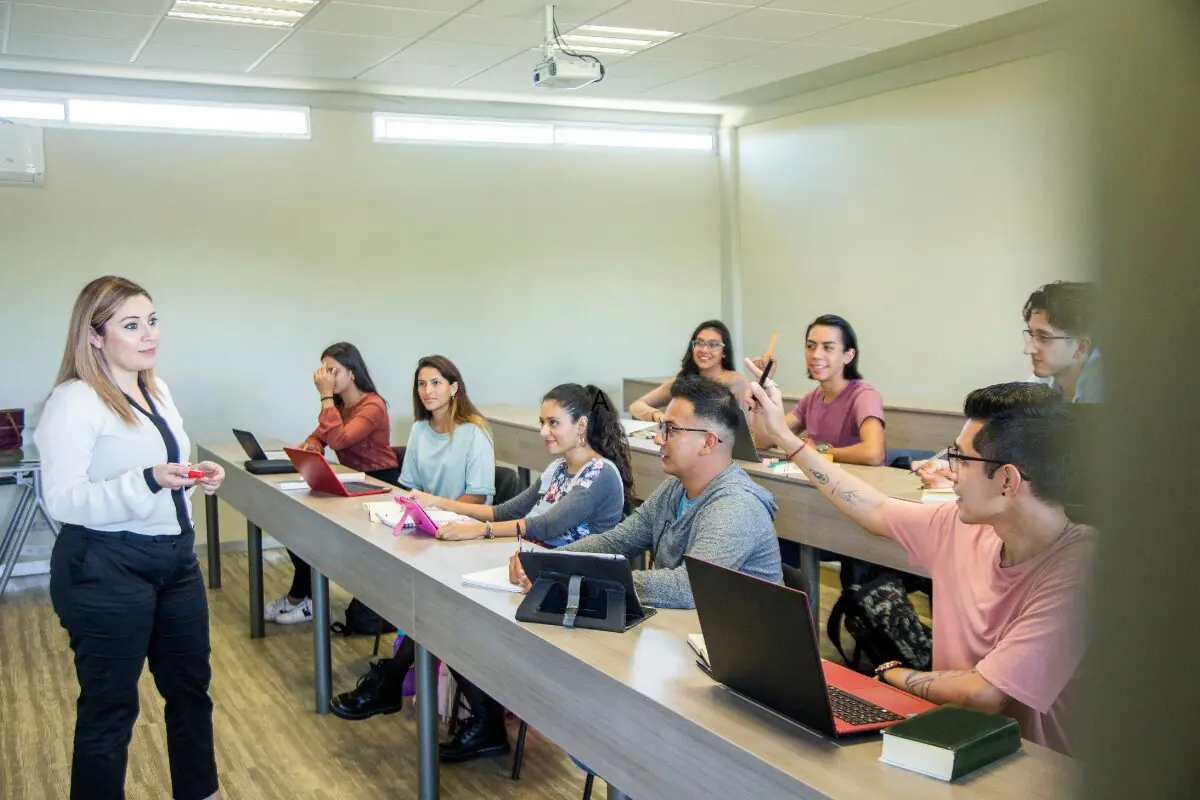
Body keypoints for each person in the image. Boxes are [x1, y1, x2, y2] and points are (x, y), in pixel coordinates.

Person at [746, 366, 1095, 756]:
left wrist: (891, 674)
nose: (948, 471)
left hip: (1032, 768)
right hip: (952, 738)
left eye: (960, 459)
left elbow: (984, 694)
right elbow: (873, 508)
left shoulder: (1082, 570)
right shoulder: (963, 524)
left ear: (1008, 481)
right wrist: (784, 437)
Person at [330, 384, 632, 765]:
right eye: (541, 422)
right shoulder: (558, 468)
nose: (543, 432)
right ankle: (469, 713)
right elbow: (506, 510)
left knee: (449, 613)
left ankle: (399, 684)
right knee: (442, 607)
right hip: (535, 573)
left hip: (574, 587)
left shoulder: (600, 473)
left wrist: (481, 532)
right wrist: (439, 505)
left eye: (553, 423)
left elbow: (547, 526)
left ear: (582, 425)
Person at [36, 276, 226, 800]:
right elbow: (65, 500)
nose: (149, 335)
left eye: (153, 320)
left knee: (190, 693)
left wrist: (194, 478)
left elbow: (162, 469)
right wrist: (147, 481)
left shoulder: (155, 389)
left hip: (175, 562)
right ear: (94, 336)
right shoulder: (74, 401)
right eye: (131, 324)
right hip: (104, 567)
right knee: (111, 707)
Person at [513, 374, 783, 610]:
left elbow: (685, 588)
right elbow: (616, 541)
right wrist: (547, 562)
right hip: (690, 632)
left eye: (670, 430)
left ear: (708, 442)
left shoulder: (736, 506)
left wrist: (571, 574)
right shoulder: (675, 488)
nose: (658, 439)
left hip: (744, 649)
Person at [266, 342, 399, 625]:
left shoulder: (373, 405)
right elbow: (320, 436)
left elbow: (339, 439)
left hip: (380, 484)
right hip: (351, 483)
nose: (326, 377)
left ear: (352, 373)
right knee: (297, 525)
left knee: (314, 532)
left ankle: (306, 599)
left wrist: (325, 397)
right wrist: (313, 445)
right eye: (324, 371)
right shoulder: (338, 405)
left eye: (333, 371)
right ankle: (303, 597)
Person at [749, 314, 885, 466]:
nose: (816, 355)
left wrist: (817, 452)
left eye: (828, 348)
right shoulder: (813, 398)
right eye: (811, 346)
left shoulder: (864, 396)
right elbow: (763, 441)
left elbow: (873, 453)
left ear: (848, 356)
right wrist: (762, 384)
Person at [397, 354, 495, 503]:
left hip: (465, 521)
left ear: (454, 388)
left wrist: (438, 511)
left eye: (436, 383)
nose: (428, 391)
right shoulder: (419, 429)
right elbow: (412, 487)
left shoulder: (475, 432)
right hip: (430, 517)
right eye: (422, 384)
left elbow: (477, 497)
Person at [629, 319, 749, 422]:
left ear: (724, 352)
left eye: (713, 345)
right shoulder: (684, 379)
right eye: (699, 343)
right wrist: (658, 415)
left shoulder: (737, 381)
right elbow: (636, 406)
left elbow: (748, 428)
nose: (704, 349)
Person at [1023, 281, 1103, 403]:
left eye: (1044, 337)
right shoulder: (1044, 380)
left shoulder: (1106, 389)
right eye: (1031, 334)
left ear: (1081, 347)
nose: (1028, 350)